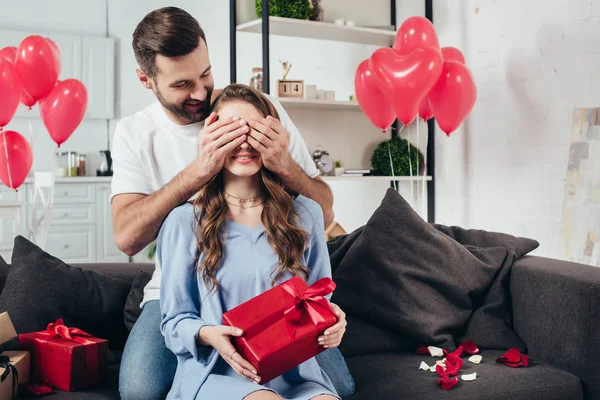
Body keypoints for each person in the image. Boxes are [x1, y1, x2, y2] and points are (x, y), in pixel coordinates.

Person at [110, 6, 354, 400]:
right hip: (191, 288)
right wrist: (199, 170)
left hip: (275, 292)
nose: (201, 93)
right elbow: (126, 237)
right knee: (141, 390)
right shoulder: (137, 134)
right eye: (182, 84)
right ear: (146, 79)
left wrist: (284, 164)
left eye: (206, 74)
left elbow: (323, 213)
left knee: (338, 387)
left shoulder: (259, 110)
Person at [160, 83, 345, 400]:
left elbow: (319, 298)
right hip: (216, 372)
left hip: (295, 375)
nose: (243, 143)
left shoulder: (307, 214)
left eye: (255, 131)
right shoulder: (183, 222)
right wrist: (209, 334)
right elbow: (174, 322)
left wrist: (334, 322)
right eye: (230, 131)